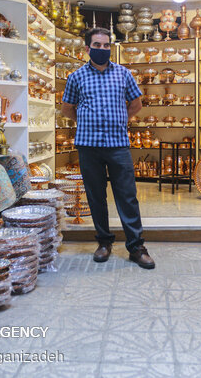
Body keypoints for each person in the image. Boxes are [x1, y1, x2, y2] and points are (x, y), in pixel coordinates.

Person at [61, 27, 155, 269]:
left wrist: (120, 119)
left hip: (118, 145)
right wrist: (86, 122)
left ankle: (136, 246)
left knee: (127, 196)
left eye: (106, 46)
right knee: (96, 197)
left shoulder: (123, 74)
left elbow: (136, 104)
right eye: (97, 45)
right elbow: (67, 109)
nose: (102, 49)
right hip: (88, 146)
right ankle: (104, 242)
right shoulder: (76, 77)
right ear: (87, 48)